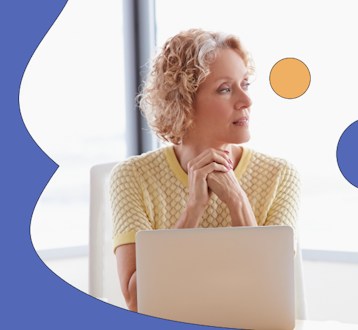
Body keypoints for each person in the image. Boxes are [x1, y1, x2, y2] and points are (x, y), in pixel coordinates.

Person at [109, 28, 301, 312]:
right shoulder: (132, 178)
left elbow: (272, 294)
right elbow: (137, 302)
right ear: (183, 103)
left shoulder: (280, 175)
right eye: (225, 89)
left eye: (245, 84)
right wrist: (193, 209)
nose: (246, 101)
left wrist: (237, 201)